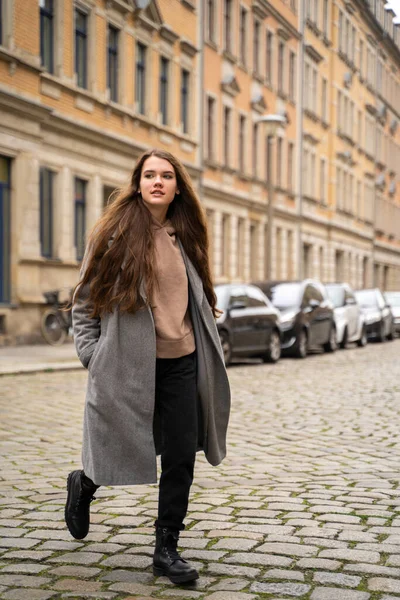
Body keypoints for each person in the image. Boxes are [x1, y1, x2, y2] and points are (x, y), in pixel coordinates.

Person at [64, 148, 231, 585]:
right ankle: (83, 484)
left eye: (167, 176)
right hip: (126, 365)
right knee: (117, 446)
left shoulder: (187, 235)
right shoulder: (114, 234)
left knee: (180, 455)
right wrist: (92, 355)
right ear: (138, 183)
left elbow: (199, 297)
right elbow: (83, 303)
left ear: (177, 187)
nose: (158, 181)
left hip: (182, 363)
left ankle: (166, 548)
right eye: (149, 175)